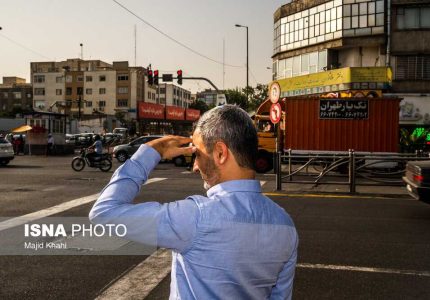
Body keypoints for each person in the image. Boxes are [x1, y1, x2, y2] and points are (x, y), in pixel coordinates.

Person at [90, 105, 298, 299]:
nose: (195, 167)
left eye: (196, 154)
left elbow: (104, 214)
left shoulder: (196, 217)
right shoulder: (286, 225)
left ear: (220, 153)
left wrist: (152, 151)